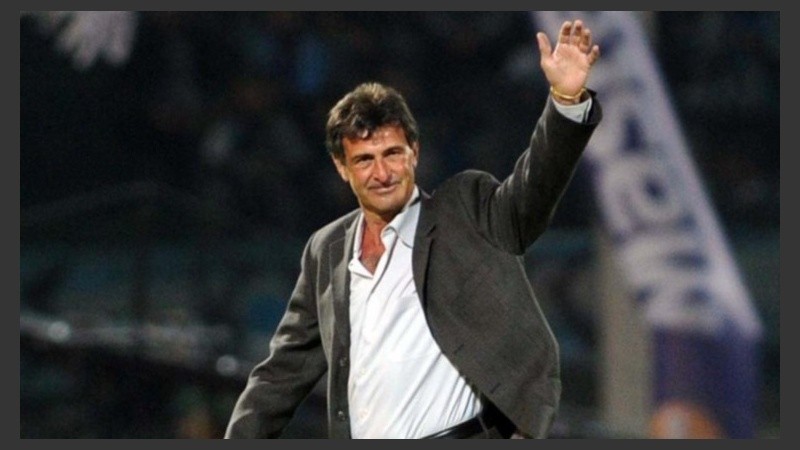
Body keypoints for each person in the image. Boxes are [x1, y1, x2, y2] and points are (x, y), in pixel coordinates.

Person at [225, 19, 602, 439]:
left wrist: (565, 102)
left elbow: (533, 191)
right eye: (364, 160)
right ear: (341, 168)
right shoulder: (326, 249)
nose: (382, 173)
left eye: (392, 153)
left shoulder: (464, 211)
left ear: (415, 153)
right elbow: (281, 373)